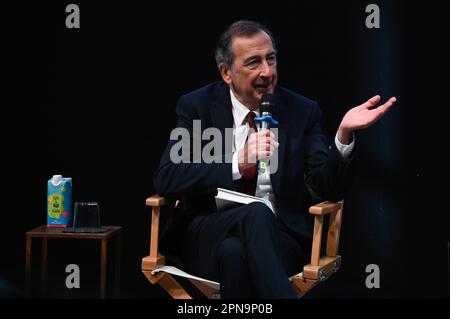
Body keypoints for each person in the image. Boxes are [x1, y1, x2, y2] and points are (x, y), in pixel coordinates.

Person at [154, 20, 396, 298]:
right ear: (226, 73)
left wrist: (342, 137)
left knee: (234, 254)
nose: (267, 72)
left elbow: (326, 187)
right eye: (254, 62)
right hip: (207, 232)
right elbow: (166, 176)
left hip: (279, 238)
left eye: (271, 59)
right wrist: (236, 163)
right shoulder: (197, 107)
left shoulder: (302, 111)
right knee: (255, 214)